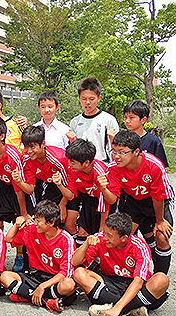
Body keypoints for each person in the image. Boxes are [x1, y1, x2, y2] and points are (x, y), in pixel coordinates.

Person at [72, 212, 169, 316]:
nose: (105, 238)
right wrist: (86, 244)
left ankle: (115, 308)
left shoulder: (140, 247)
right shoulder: (100, 238)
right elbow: (74, 262)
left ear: (124, 238)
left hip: (133, 286)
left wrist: (117, 308)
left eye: (110, 236)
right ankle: (133, 309)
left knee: (162, 279)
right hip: (110, 283)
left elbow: (138, 281)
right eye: (105, 232)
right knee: (79, 273)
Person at [108, 130, 173, 274]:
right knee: (123, 237)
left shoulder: (154, 165)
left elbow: (158, 196)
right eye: (114, 151)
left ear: (136, 151)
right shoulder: (113, 168)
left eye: (122, 152)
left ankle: (159, 277)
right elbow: (112, 198)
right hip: (134, 201)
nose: (117, 156)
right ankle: (128, 275)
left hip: (158, 201)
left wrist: (160, 220)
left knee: (161, 236)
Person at [1, 200, 76, 313]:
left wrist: (42, 287)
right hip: (36, 275)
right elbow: (8, 239)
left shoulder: (66, 239)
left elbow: (65, 273)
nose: (34, 223)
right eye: (35, 219)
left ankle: (27, 295)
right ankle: (46, 301)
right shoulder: (32, 230)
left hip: (54, 279)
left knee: (69, 285)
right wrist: (17, 225)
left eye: (38, 220)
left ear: (50, 223)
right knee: (5, 276)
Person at [64, 139, 117, 245]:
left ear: (86, 163)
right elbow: (71, 192)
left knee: (102, 233)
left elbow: (106, 201)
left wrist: (103, 225)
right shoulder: (73, 170)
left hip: (105, 202)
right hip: (88, 199)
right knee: (83, 232)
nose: (69, 165)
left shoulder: (100, 173)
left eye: (73, 162)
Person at [13, 125, 73, 217]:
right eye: (26, 146)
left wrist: (63, 204)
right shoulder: (26, 159)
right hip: (48, 185)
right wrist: (19, 181)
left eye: (32, 146)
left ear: (43, 144)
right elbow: (30, 190)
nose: (29, 151)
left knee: (67, 221)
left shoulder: (59, 159)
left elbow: (69, 185)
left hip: (68, 186)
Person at [67, 77, 119, 164]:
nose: (87, 102)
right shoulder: (75, 122)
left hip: (103, 166)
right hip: (82, 167)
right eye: (84, 99)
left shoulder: (108, 120)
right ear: (79, 98)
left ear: (99, 98)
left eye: (91, 99)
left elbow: (117, 148)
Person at [123, 100, 169, 167]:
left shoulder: (153, 141)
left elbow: (160, 166)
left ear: (143, 120)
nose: (127, 121)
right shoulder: (123, 139)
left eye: (131, 117)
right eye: (125, 117)